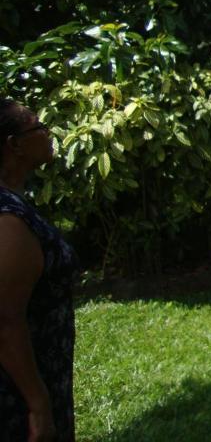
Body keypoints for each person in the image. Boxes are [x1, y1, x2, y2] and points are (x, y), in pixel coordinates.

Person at [0, 100, 77, 441]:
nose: (48, 133)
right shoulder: (8, 219)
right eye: (38, 127)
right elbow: (5, 318)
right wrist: (38, 402)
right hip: (17, 393)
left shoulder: (13, 203)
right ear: (13, 145)